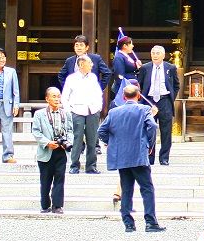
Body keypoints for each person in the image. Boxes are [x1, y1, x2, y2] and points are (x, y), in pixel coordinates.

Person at [98, 84, 165, 233]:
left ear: (123, 97)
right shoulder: (144, 109)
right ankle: (150, 222)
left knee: (127, 188)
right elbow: (152, 126)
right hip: (139, 153)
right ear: (138, 96)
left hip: (122, 155)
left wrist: (110, 142)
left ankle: (128, 223)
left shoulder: (114, 112)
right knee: (147, 188)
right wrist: (149, 144)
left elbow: (101, 130)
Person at [32, 87, 73, 214]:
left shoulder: (66, 113)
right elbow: (36, 132)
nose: (56, 99)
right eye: (53, 96)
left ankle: (57, 205)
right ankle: (45, 205)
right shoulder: (39, 114)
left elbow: (71, 131)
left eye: (58, 96)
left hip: (60, 150)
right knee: (45, 179)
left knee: (60, 178)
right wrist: (47, 142)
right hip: (46, 151)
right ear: (47, 99)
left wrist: (68, 141)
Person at [61, 54, 104, 174]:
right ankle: (74, 165)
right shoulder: (72, 78)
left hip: (92, 111)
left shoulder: (93, 77)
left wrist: (98, 107)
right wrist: (68, 110)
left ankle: (91, 166)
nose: (92, 65)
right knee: (77, 139)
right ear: (81, 64)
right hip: (77, 111)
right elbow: (65, 96)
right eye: (89, 63)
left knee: (92, 139)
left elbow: (98, 94)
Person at [137, 45, 179, 166]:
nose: (155, 55)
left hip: (164, 100)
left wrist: (171, 97)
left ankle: (164, 157)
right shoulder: (145, 68)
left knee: (166, 131)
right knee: (149, 129)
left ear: (163, 55)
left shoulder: (170, 68)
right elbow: (139, 84)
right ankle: (149, 157)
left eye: (157, 53)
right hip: (149, 101)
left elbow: (176, 85)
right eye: (153, 53)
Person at [111, 33, 142, 102]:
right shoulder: (119, 57)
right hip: (126, 87)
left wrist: (137, 67)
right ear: (125, 46)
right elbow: (120, 76)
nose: (132, 46)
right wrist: (126, 89)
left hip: (132, 86)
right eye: (131, 44)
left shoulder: (126, 56)